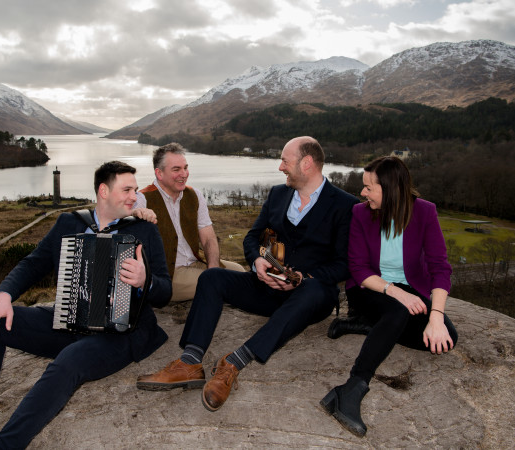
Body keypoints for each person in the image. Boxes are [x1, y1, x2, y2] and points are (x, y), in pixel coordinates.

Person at [0, 161, 172, 449]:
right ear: (103, 191)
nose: (135, 195)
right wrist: (2, 296)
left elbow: (165, 290)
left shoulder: (144, 230)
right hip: (70, 322)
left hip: (120, 333)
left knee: (67, 364)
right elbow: (33, 264)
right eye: (127, 189)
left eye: (135, 188)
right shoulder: (70, 223)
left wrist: (146, 280)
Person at [136, 136, 358, 411]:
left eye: (285, 161)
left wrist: (302, 278)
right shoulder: (278, 194)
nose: (280, 167)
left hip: (309, 296)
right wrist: (257, 262)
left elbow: (346, 263)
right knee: (211, 277)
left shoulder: (345, 205)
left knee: (314, 290)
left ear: (307, 163)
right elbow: (252, 238)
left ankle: (234, 362)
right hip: (267, 288)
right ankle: (190, 362)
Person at [319, 156, 458, 437]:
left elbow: (440, 267)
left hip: (410, 290)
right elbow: (357, 268)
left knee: (445, 339)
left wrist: (436, 316)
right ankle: (350, 388)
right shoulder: (360, 213)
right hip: (370, 288)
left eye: (370, 187)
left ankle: (371, 327)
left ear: (391, 189)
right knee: (397, 311)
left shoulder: (425, 212)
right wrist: (396, 293)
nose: (363, 193)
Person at [135, 142, 245, 302]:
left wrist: (213, 270)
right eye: (176, 169)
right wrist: (135, 212)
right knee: (228, 283)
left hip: (195, 262)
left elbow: (208, 238)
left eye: (185, 168)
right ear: (159, 173)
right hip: (169, 275)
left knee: (240, 272)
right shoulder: (142, 198)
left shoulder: (194, 195)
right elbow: (126, 215)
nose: (184, 174)